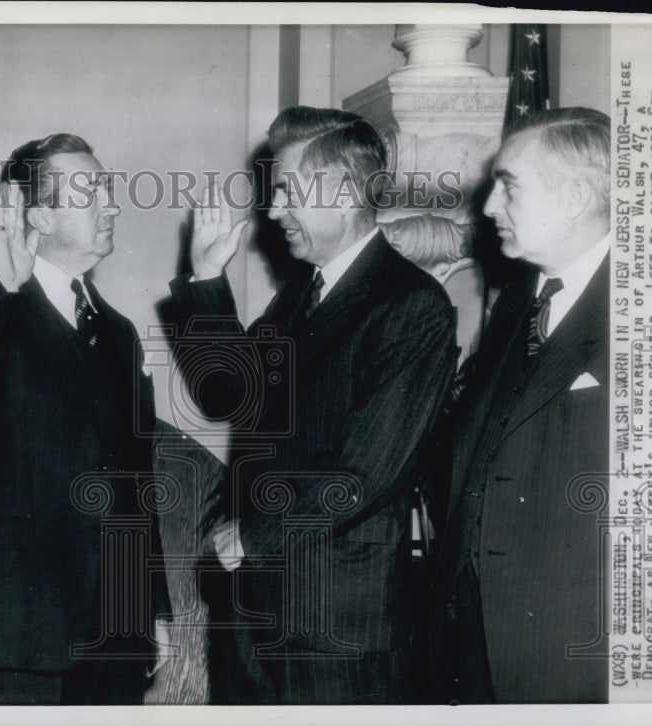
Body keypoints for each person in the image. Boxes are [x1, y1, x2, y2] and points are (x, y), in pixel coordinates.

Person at [167, 106, 457, 704]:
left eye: (288, 192)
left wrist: (251, 535)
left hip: (336, 627)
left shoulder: (413, 305)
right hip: (257, 612)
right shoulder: (304, 291)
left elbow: (366, 471)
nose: (273, 211)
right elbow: (228, 391)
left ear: (346, 193)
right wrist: (204, 277)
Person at [0, 134, 171, 705]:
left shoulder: (121, 333)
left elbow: (136, 482)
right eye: (90, 194)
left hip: (115, 638)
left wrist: (151, 607)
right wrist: (1, 286)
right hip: (14, 641)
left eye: (107, 189)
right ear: (40, 218)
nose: (111, 205)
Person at [429, 107, 612, 703]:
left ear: (576, 196)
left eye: (508, 185)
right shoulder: (518, 301)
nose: (486, 207)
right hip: (471, 639)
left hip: (568, 653)